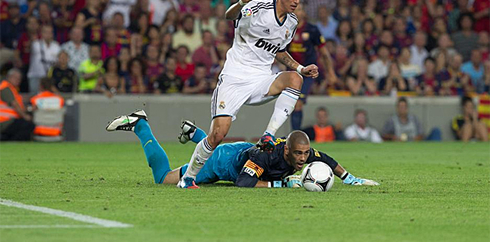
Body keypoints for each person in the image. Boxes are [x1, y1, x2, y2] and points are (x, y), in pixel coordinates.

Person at [178, 0, 319, 189]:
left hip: (260, 79)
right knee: (217, 134)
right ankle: (188, 178)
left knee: (294, 79)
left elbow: (279, 51)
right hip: (234, 78)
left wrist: (300, 68)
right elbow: (229, 16)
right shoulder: (259, 7)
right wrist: (243, 2)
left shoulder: (292, 22)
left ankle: (268, 135)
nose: (296, 0)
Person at [105, 110, 379, 187]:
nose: (303, 159)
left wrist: (350, 178)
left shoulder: (301, 151)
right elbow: (243, 182)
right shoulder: (264, 157)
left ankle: (195, 135)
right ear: (286, 151)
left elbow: (328, 159)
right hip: (221, 164)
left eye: (306, 155)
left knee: (216, 146)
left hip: (235, 149)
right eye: (299, 155)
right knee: (163, 178)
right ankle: (141, 126)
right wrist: (282, 186)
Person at [288, 3, 336, 130]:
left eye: (300, 9)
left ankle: (295, 135)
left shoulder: (312, 30)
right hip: (291, 72)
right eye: (295, 10)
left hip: (307, 73)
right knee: (291, 104)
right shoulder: (286, 28)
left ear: (304, 13)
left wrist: (330, 72)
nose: (297, 12)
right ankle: (294, 136)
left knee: (298, 103)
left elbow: (324, 53)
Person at [0, 69, 35, 141]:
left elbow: (20, 106)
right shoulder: (5, 88)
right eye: (16, 78)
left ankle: (6, 139)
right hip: (5, 121)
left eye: (19, 79)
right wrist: (25, 116)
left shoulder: (12, 89)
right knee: (28, 125)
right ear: (9, 77)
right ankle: (12, 142)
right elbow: (15, 105)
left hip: (9, 120)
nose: (18, 80)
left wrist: (30, 109)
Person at [27, 25, 61, 93]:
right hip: (35, 75)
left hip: (49, 78)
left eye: (50, 32)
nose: (48, 34)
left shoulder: (56, 46)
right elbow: (29, 48)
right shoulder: (35, 44)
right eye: (45, 32)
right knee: (35, 96)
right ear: (41, 33)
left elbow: (58, 61)